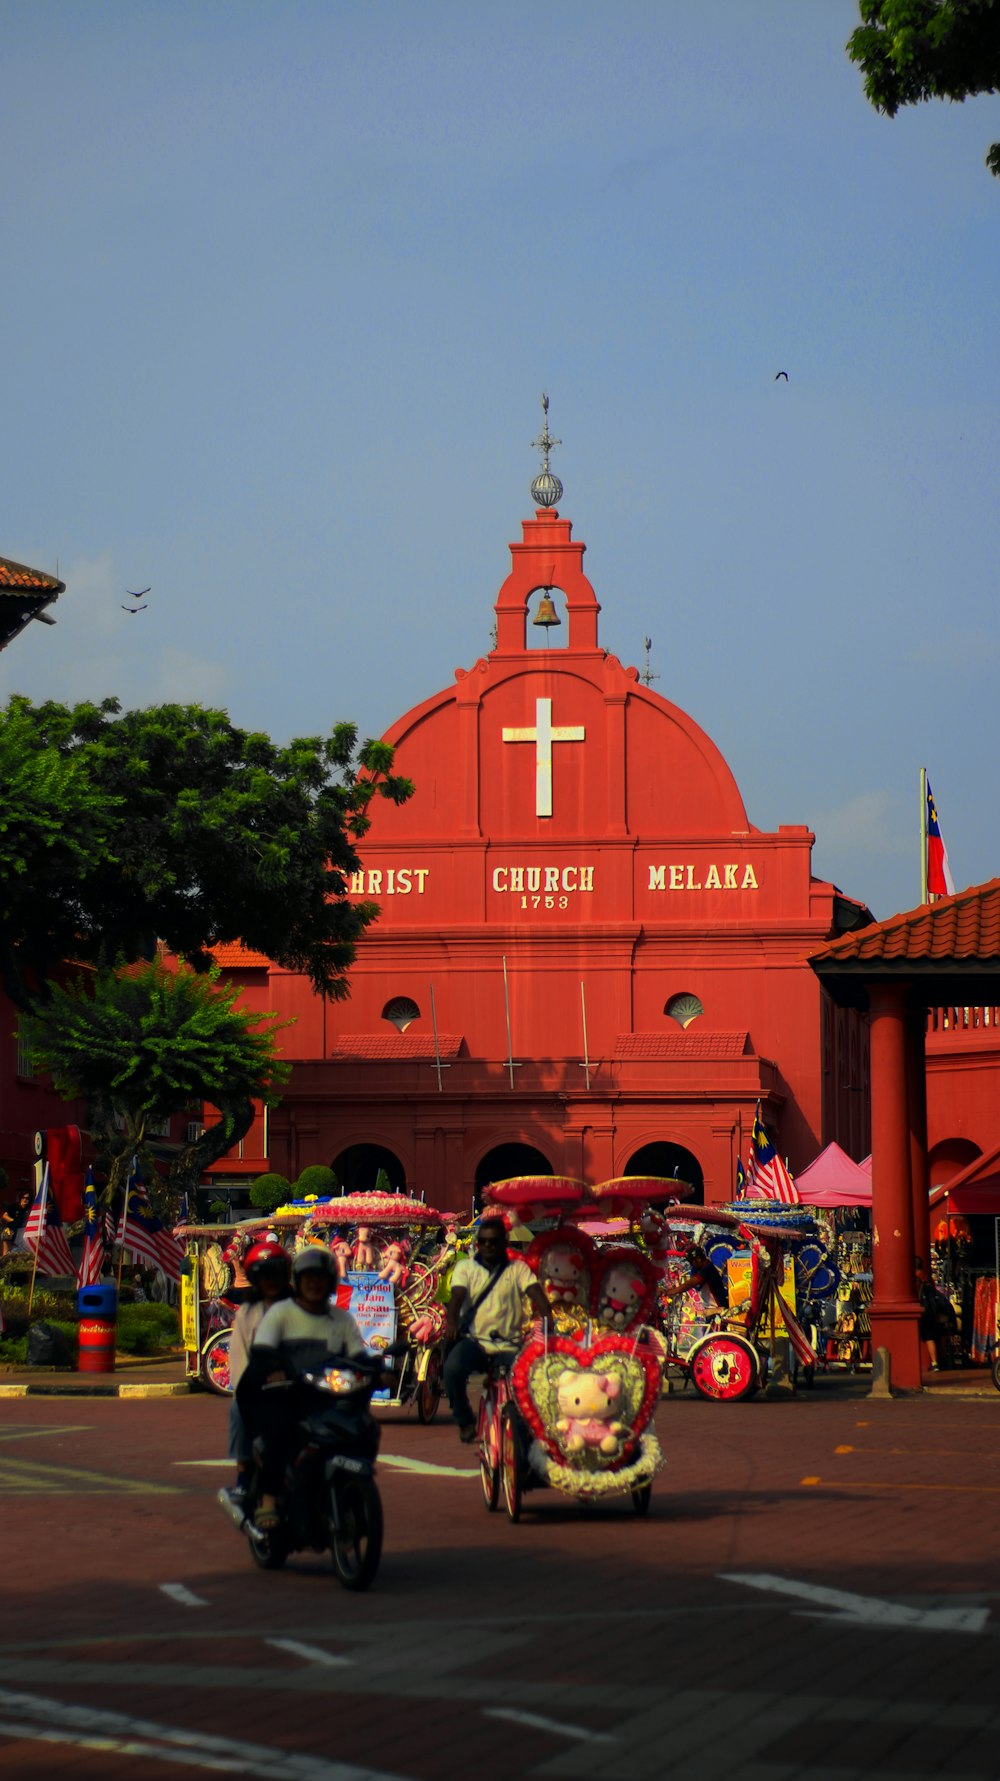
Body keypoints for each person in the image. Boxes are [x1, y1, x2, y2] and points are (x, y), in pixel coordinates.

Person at [236, 1245, 368, 1530]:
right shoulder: (281, 1313)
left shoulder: (341, 1319)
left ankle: (353, 1480)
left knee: (365, 1425)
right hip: (287, 1395)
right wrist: (274, 1368)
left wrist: (379, 1372)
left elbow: (358, 1356)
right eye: (308, 1278)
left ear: (331, 1282)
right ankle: (269, 1497)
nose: (314, 1283)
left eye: (320, 1278)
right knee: (281, 1429)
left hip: (325, 1397)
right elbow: (262, 1351)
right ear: (298, 1281)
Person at [443, 1214, 552, 1443]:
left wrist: (548, 1321)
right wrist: (452, 1323)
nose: (488, 1246)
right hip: (475, 1342)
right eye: (483, 1242)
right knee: (452, 1370)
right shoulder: (465, 1268)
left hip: (511, 1344)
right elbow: (456, 1298)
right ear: (477, 1243)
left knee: (532, 1384)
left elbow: (538, 1296)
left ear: (504, 1243)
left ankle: (529, 1440)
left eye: (494, 1242)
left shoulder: (518, 1270)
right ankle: (464, 1420)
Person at [225, 1237, 291, 1506]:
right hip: (262, 1388)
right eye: (263, 1274)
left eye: (275, 1273)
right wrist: (247, 1389)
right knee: (238, 1410)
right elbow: (240, 1361)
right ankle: (243, 1478)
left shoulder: (302, 1305)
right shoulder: (248, 1313)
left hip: (300, 1385)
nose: (270, 1280)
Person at [916, 1256, 957, 1372]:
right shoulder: (927, 1278)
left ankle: (935, 1362)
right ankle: (942, 1359)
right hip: (935, 1310)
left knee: (929, 1337)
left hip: (926, 1310)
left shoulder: (916, 1279)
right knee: (939, 1335)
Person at [661, 1242, 728, 1309]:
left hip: (718, 1307)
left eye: (691, 1262)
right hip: (711, 1308)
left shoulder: (707, 1269)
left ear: (698, 1259)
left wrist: (668, 1292)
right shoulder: (703, 1266)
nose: (691, 1265)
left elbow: (689, 1284)